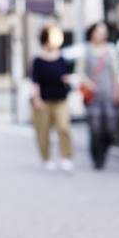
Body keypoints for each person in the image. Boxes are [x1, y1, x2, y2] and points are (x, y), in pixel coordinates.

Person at [79, 21, 119, 169]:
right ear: (92, 33)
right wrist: (88, 83)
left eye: (104, 32)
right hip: (93, 96)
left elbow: (116, 72)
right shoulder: (86, 50)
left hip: (109, 94)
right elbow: (80, 72)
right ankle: (97, 157)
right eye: (99, 31)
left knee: (110, 128)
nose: (102, 34)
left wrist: (118, 89)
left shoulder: (111, 50)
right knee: (95, 128)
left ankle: (104, 150)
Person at [31, 25, 74, 172]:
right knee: (42, 131)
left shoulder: (63, 58)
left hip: (61, 99)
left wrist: (68, 80)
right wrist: (36, 99)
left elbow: (68, 76)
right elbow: (35, 82)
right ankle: (46, 158)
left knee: (64, 128)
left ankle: (66, 157)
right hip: (44, 100)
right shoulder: (38, 60)